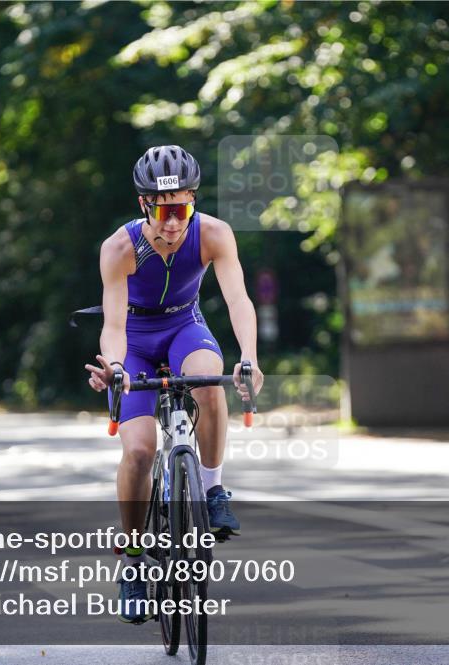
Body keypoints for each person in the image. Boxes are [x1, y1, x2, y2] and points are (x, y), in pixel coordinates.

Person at [85, 145, 264, 623]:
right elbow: (113, 325)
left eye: (181, 210)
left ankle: (213, 489)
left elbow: (238, 300)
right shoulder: (119, 248)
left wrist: (249, 357)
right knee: (140, 451)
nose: (172, 223)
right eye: (162, 212)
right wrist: (117, 367)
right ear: (144, 204)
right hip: (135, 340)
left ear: (193, 201)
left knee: (209, 381)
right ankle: (133, 562)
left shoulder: (213, 234)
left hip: (185, 326)